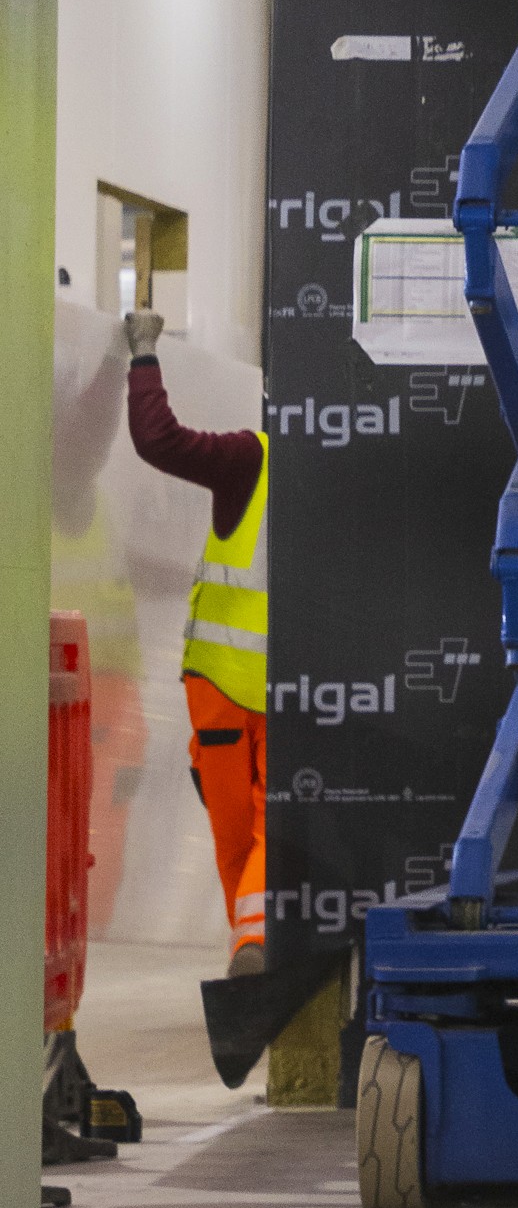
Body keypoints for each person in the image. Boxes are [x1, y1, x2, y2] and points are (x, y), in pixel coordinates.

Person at [123, 312, 267, 974]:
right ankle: (253, 946)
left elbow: (159, 440)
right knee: (265, 837)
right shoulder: (351, 482)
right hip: (298, 693)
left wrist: (143, 353)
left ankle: (253, 948)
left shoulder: (251, 458)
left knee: (237, 841)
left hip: (221, 692)